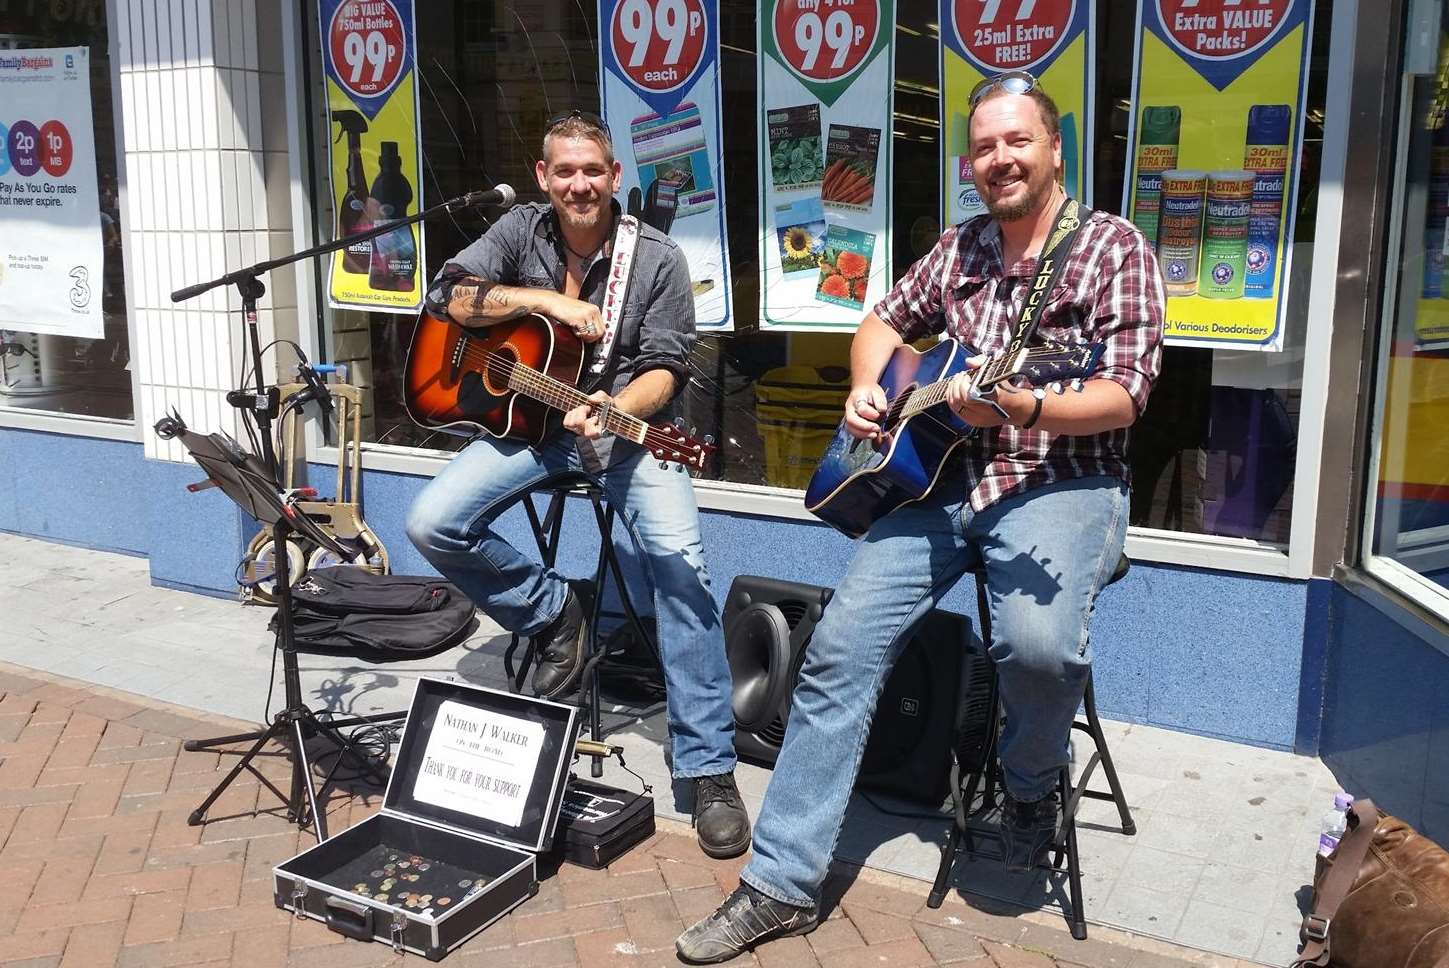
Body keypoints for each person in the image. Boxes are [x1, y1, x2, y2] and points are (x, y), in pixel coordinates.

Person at [676, 72, 1165, 962]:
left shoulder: (1111, 249)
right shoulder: (961, 245)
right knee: (836, 649)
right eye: (982, 147)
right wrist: (869, 387)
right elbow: (880, 321)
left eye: (1016, 141)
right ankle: (781, 884)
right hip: (939, 483)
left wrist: (1027, 409)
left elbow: (1125, 394)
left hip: (1060, 479)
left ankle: (1025, 787)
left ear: (1055, 148)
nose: (998, 159)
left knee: (1040, 647)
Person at [405, 110, 750, 859]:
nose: (579, 184)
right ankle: (556, 611)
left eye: (592, 170)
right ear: (543, 177)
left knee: (680, 572)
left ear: (614, 175)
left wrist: (617, 410)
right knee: (430, 521)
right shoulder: (519, 233)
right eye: (564, 171)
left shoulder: (654, 258)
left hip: (624, 436)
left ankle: (708, 768)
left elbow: (668, 365)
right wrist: (542, 302)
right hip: (527, 431)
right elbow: (448, 297)